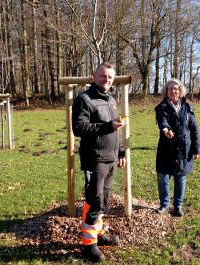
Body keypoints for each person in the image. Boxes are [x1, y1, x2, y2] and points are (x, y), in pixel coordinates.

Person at [72, 63, 126, 263]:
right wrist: (107, 126)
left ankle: (99, 233)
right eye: (103, 76)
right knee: (94, 200)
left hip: (110, 158)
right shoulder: (84, 99)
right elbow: (78, 128)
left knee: (103, 200)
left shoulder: (111, 99)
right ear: (93, 76)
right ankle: (88, 245)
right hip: (94, 159)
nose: (107, 79)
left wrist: (120, 152)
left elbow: (115, 129)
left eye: (110, 77)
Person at [154, 78, 200, 217]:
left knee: (180, 178)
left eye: (176, 88)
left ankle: (178, 207)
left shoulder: (187, 107)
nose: (173, 91)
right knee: (163, 177)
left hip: (184, 148)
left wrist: (196, 147)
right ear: (166, 92)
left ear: (180, 91)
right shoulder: (161, 107)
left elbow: (194, 129)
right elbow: (162, 120)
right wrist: (166, 129)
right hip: (166, 148)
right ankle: (164, 205)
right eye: (170, 89)